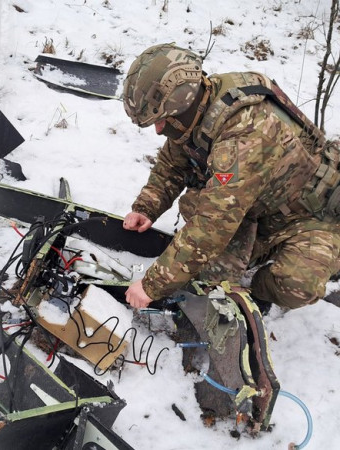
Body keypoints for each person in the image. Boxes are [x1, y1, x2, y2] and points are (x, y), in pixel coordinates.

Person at [120, 43, 340, 311]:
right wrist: (146, 207)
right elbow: (172, 164)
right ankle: (252, 253)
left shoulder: (245, 133)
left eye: (162, 120)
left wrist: (151, 286)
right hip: (260, 205)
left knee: (297, 285)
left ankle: (258, 287)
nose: (157, 129)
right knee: (197, 212)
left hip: (310, 217)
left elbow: (213, 224)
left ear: (181, 106)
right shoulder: (200, 105)